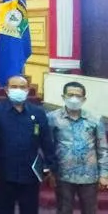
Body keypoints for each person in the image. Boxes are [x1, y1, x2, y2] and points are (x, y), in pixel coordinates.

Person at [0, 75, 56, 214]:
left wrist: (49, 164)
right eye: (14, 87)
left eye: (22, 87)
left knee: (29, 210)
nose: (18, 90)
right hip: (4, 171)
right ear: (6, 89)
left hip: (30, 172)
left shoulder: (38, 112)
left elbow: (46, 140)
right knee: (3, 210)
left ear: (28, 90)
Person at [47, 81, 108, 214]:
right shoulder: (52, 118)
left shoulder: (95, 119)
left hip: (89, 176)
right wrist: (50, 171)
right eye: (70, 95)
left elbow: (102, 148)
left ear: (84, 99)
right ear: (63, 97)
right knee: (64, 210)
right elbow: (48, 147)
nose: (74, 98)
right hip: (63, 175)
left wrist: (104, 174)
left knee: (89, 210)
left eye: (78, 95)